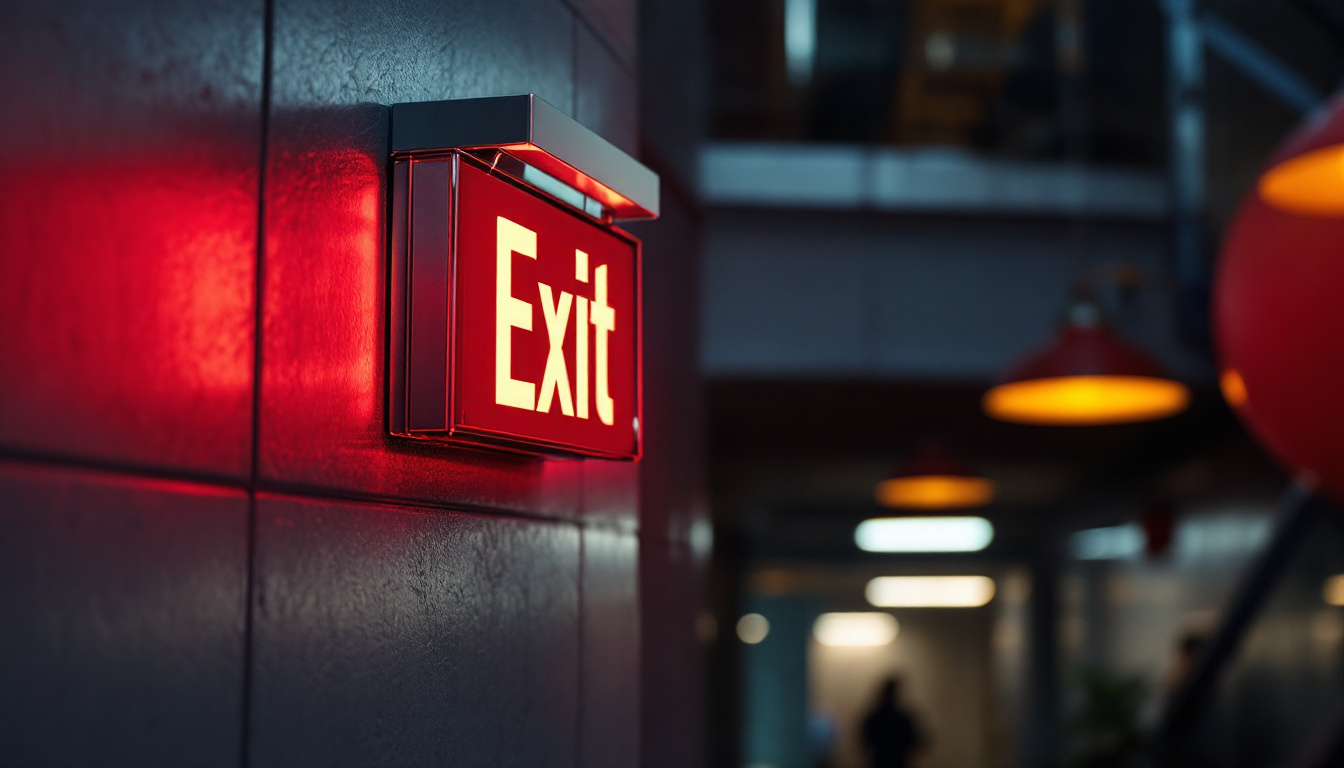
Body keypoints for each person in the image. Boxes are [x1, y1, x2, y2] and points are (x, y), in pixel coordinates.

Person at [860, 676, 923, 768]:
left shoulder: (874, 717)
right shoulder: (902, 719)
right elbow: (915, 742)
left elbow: (864, 742)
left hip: (878, 763)